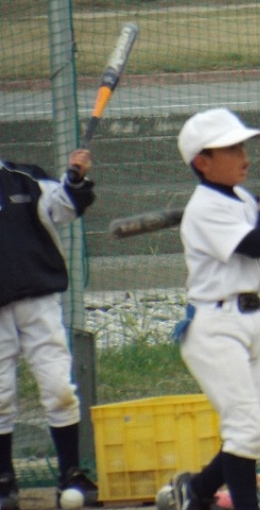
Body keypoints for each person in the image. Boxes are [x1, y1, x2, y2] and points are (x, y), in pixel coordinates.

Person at [169, 108, 260, 510]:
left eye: (242, 146)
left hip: (249, 318)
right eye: (231, 149)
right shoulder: (205, 206)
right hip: (215, 326)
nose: (243, 155)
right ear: (202, 162)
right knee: (244, 429)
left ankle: (197, 490)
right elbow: (258, 242)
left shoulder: (241, 198)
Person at [0, 149, 99, 509]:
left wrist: (74, 178)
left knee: (59, 388)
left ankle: (71, 473)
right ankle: (4, 480)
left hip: (39, 302)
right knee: (0, 395)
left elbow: (65, 206)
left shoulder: (24, 177)